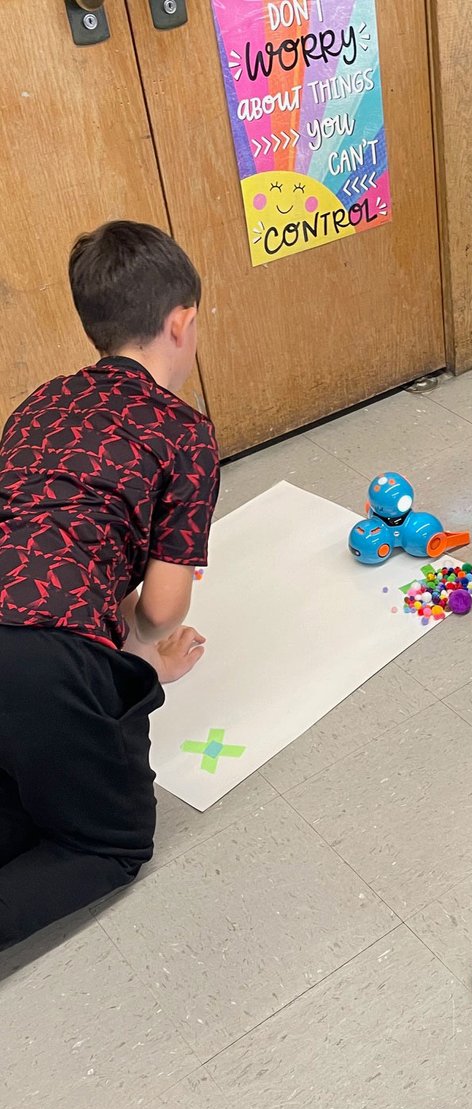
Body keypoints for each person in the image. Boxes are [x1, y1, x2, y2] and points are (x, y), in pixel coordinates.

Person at [0, 221, 220, 953]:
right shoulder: (185, 433)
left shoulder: (40, 401)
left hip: (20, 635)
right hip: (41, 661)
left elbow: (53, 543)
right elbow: (160, 609)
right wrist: (142, 664)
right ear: (182, 323)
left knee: (24, 794)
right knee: (110, 843)